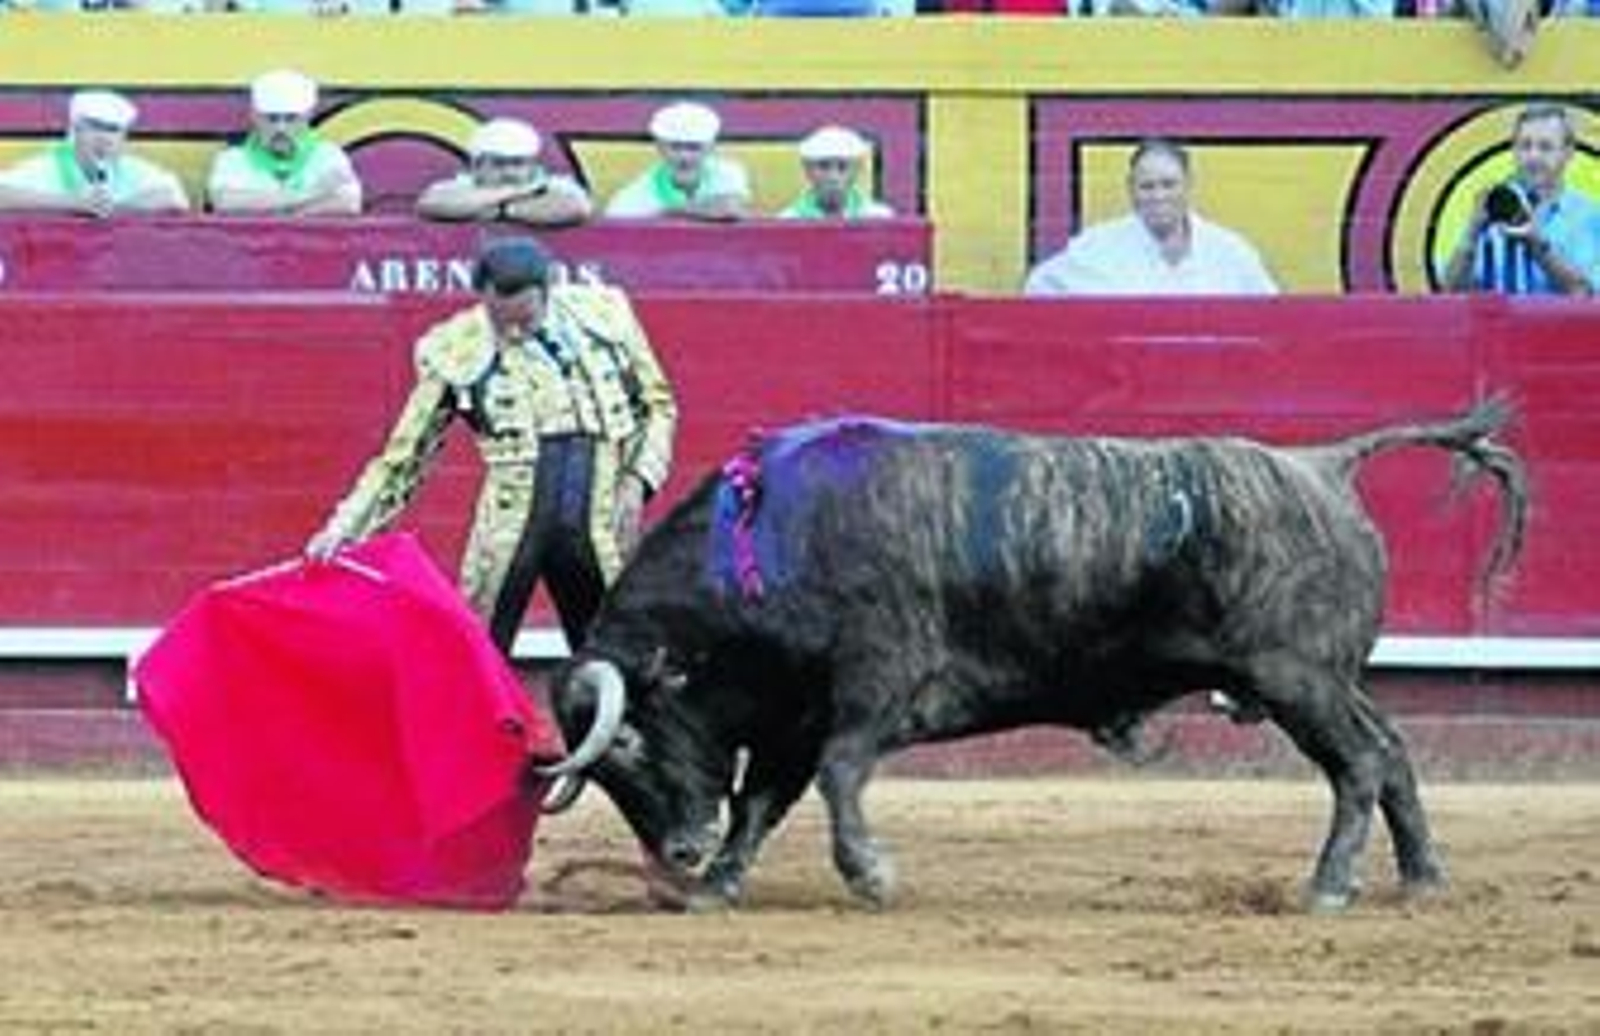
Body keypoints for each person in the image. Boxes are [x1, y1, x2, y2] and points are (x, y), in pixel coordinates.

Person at [305, 236, 677, 653]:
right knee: (479, 655)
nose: (513, 334)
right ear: (483, 298)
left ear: (549, 290)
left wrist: (638, 478)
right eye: (501, 322)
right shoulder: (456, 349)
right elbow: (402, 459)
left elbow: (657, 405)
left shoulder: (604, 316)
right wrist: (343, 530)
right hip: (511, 527)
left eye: (526, 321)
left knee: (617, 656)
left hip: (598, 518)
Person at [1023, 138, 1278, 296]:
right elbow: (1039, 287)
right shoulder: (1097, 246)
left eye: (1169, 184)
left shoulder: (1230, 251)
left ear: (1188, 184)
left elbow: (1269, 314)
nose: (1159, 196)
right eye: (1147, 186)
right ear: (1131, 189)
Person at [1440, 103, 1600, 296]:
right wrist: (1471, 234)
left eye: (1545, 147)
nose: (1533, 156)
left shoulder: (1590, 216)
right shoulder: (1490, 207)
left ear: (1568, 152)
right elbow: (1449, 290)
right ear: (1514, 150)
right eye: (1525, 146)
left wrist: (1536, 245)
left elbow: (1586, 294)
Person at [0, 89, 189, 217]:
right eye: (94, 127)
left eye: (113, 130)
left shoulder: (129, 168)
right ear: (74, 131)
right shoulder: (49, 166)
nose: (104, 139)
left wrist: (115, 210)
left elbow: (172, 196)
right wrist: (75, 204)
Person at [206, 69, 363, 217]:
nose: (281, 128)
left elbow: (349, 201)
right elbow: (224, 202)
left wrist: (271, 208)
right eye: (272, 119)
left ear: (308, 117)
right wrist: (313, 193)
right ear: (255, 117)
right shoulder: (232, 159)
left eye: (291, 119)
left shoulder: (329, 155)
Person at [415, 117, 592, 228]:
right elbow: (431, 204)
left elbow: (577, 208)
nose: (509, 173)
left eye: (517, 164)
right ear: (476, 166)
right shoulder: (460, 186)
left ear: (532, 165)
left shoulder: (554, 186)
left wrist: (504, 211)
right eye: (499, 164)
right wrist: (515, 192)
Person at [604, 101, 751, 222]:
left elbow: (731, 209)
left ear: (711, 147)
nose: (684, 156)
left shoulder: (728, 173)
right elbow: (615, 220)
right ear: (659, 146)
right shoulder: (631, 198)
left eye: (694, 147)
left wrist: (670, 212)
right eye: (675, 147)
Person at [778, 125, 894, 220]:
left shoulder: (878, 217)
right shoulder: (789, 220)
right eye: (823, 166)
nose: (833, 177)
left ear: (857, 171)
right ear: (807, 170)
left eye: (843, 167)